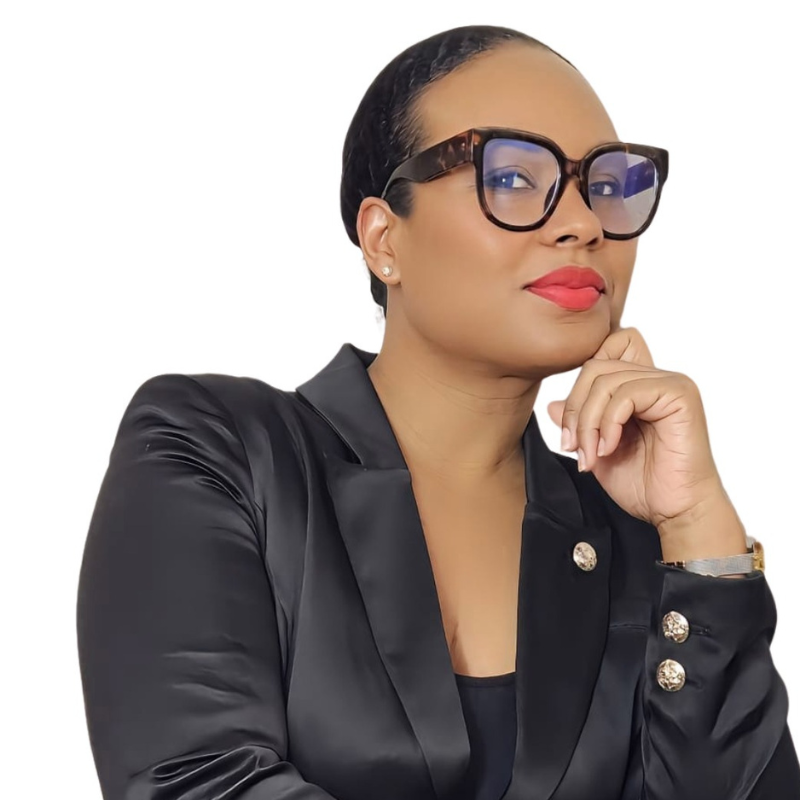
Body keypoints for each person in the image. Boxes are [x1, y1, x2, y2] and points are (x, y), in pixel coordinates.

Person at [76, 24, 800, 800]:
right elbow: (196, 780)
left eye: (607, 186)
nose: (585, 223)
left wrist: (697, 529)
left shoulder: (634, 538)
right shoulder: (218, 452)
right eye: (514, 177)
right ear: (384, 239)